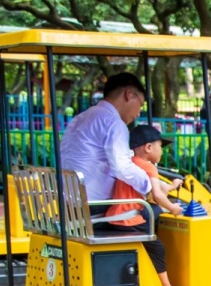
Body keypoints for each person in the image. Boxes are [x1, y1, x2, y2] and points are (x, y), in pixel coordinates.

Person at [106, 125, 189, 286]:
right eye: (160, 146)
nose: (161, 151)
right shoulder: (149, 167)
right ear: (149, 148)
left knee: (152, 227)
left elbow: (158, 187)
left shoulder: (131, 164)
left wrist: (173, 186)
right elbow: (158, 195)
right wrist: (173, 209)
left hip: (116, 216)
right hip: (129, 218)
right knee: (157, 247)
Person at [60, 72, 152, 212]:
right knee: (157, 214)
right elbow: (123, 168)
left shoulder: (79, 119)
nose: (139, 113)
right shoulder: (113, 123)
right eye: (140, 104)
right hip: (93, 206)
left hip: (67, 205)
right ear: (129, 95)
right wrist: (149, 186)